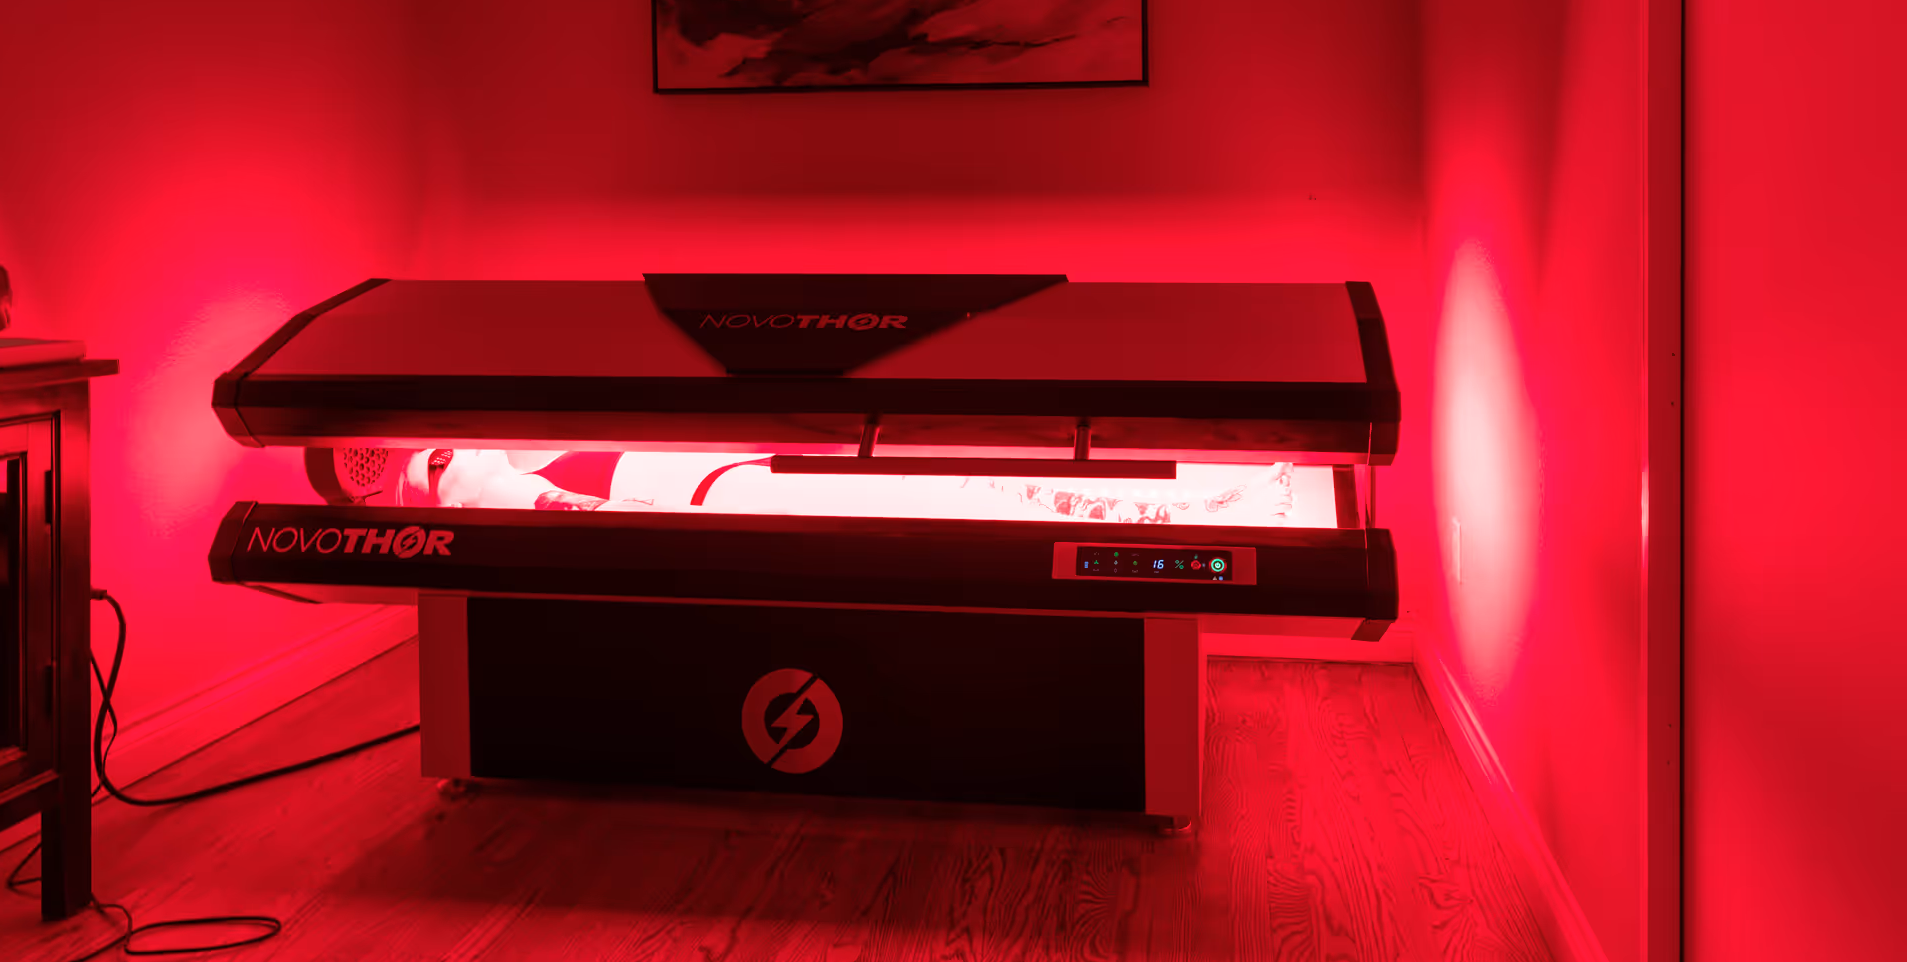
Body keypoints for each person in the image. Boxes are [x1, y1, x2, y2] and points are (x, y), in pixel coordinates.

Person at [396, 448, 1302, 526]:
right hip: (750, 500)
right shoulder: (516, 490)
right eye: (434, 465)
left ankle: (1199, 504)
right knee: (986, 501)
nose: (449, 455)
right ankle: (1198, 508)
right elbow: (614, 516)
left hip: (752, 486)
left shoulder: (532, 473)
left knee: (992, 492)